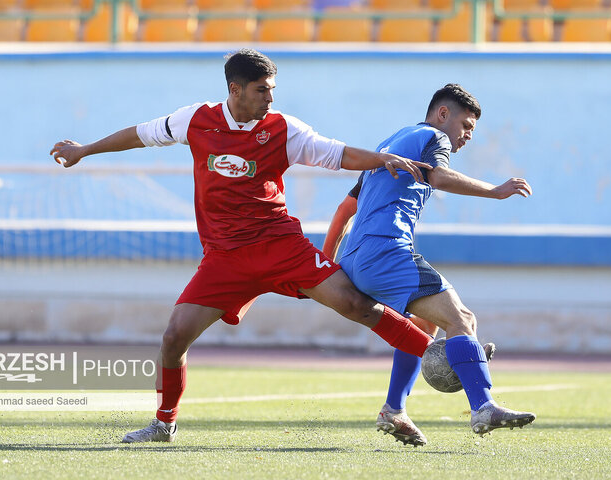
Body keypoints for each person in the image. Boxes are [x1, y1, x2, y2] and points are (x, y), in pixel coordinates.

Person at [50, 48, 438, 444]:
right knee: (173, 338)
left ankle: (443, 356)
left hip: (279, 245)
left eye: (272, 90)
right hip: (225, 258)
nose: (270, 99)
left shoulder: (284, 128)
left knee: (355, 304)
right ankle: (164, 423)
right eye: (262, 91)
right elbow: (139, 134)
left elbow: (336, 153)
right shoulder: (195, 120)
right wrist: (84, 150)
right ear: (235, 90)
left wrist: (381, 158)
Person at [322, 83, 536, 445]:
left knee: (422, 326)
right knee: (462, 320)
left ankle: (394, 410)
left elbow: (345, 210)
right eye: (466, 125)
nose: (467, 136)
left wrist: (325, 264)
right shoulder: (433, 137)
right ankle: (483, 405)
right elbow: (438, 176)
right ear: (442, 114)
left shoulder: (390, 146)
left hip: (356, 259)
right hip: (386, 251)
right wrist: (495, 190)